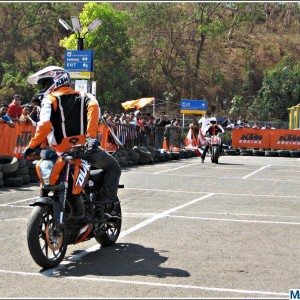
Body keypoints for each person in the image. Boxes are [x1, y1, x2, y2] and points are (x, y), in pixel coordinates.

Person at [23, 66, 121, 219]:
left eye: (45, 83)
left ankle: (104, 205)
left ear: (57, 79)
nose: (43, 87)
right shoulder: (86, 96)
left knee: (49, 176)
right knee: (113, 167)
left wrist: (31, 146)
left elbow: (44, 126)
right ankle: (107, 205)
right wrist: (90, 138)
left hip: (61, 152)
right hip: (84, 149)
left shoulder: (50, 100)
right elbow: (94, 110)